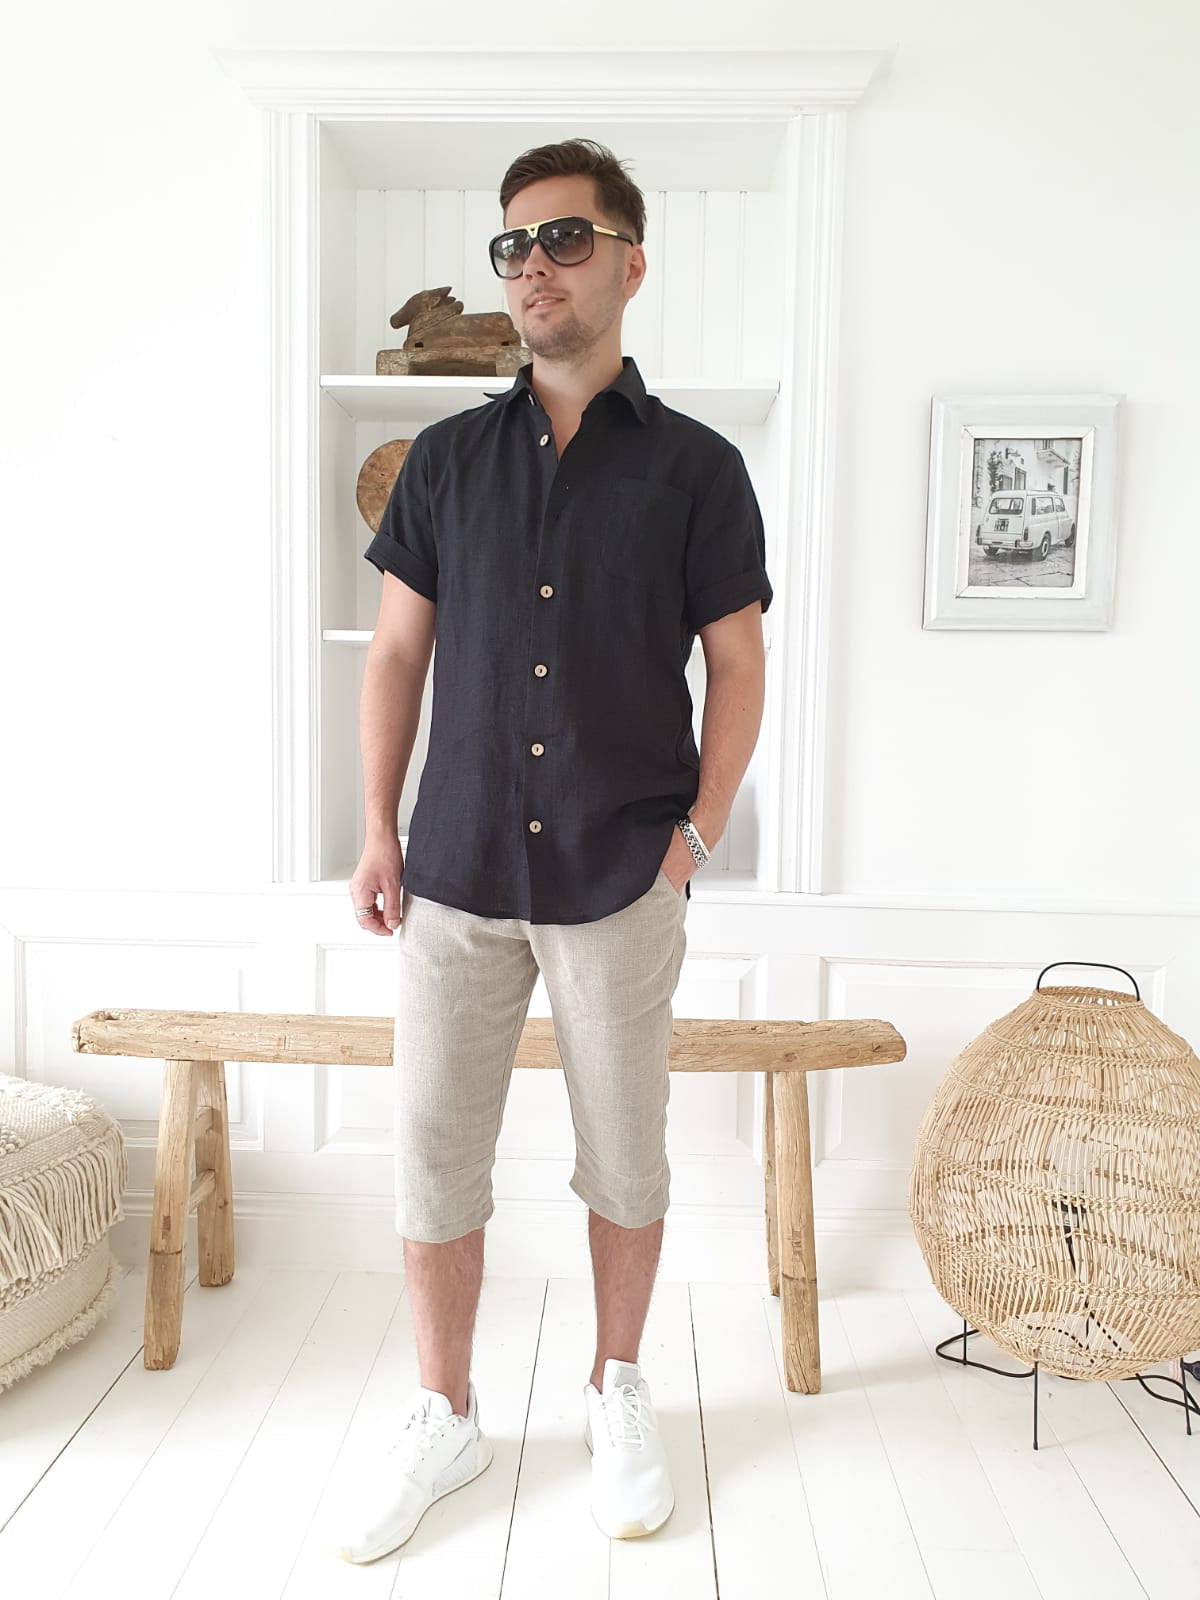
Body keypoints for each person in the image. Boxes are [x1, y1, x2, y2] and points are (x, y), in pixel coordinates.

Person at [332, 137, 772, 1564]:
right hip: (454, 869)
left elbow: (738, 665)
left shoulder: (699, 470)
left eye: (565, 238)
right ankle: (445, 1412)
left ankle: (617, 1388)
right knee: (432, 1156)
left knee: (625, 1157)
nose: (533, 267)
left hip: (620, 872)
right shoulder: (445, 462)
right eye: (513, 245)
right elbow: (396, 657)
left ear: (631, 263)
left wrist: (696, 834)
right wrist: (377, 829)